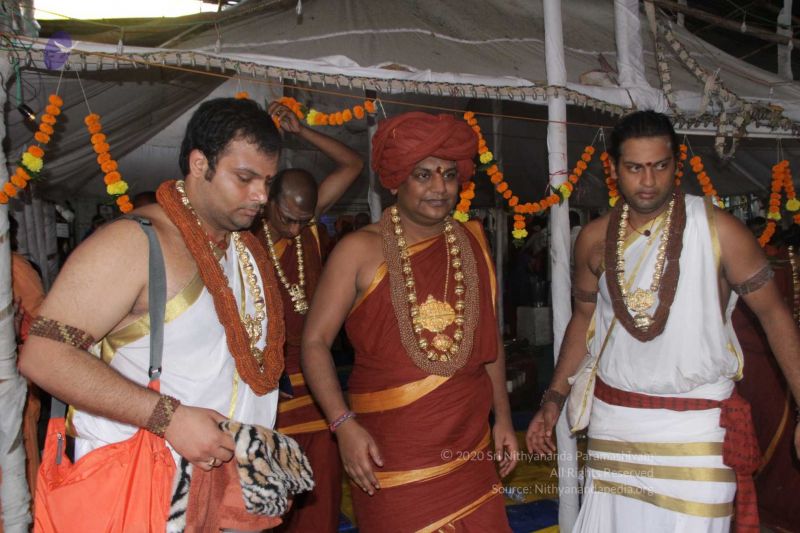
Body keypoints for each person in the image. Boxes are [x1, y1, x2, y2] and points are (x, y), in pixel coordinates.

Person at [19, 97, 289, 528]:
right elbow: (43, 356)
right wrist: (169, 418)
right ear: (200, 164)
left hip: (232, 495)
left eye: (267, 181)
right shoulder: (135, 242)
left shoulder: (245, 250)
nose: (261, 195)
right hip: (144, 491)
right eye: (245, 178)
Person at [526, 110, 800, 532]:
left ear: (677, 165)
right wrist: (553, 399)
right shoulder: (594, 240)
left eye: (660, 166)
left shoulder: (720, 231)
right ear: (613, 169)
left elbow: (774, 314)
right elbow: (584, 320)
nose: (649, 181)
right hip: (616, 423)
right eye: (635, 168)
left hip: (696, 425)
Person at [302, 111, 518, 532]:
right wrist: (342, 424)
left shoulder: (473, 243)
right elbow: (314, 343)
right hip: (390, 451)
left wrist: (504, 419)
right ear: (395, 180)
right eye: (423, 175)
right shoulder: (358, 250)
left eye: (449, 175)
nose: (440, 188)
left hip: (469, 446)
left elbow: (489, 342)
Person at [257, 101, 363, 532]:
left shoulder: (309, 228)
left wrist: (301, 131)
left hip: (317, 383)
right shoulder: (245, 235)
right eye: (288, 219)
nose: (297, 230)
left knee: (321, 500)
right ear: (267, 201)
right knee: (271, 504)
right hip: (269, 389)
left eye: (305, 220)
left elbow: (353, 163)